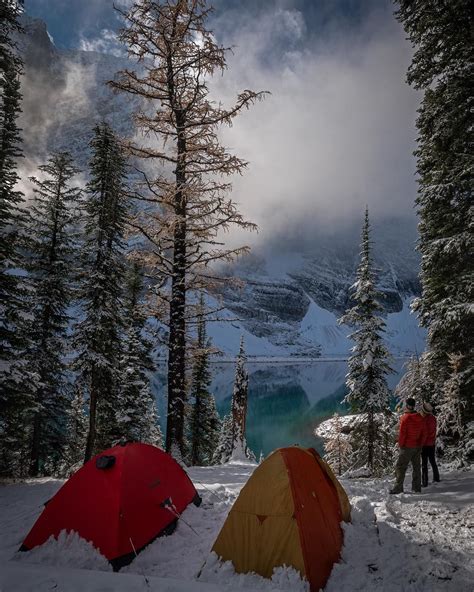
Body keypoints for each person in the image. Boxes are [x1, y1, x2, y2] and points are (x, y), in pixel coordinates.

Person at [390, 397, 426, 494]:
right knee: (416, 467)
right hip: (417, 446)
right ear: (413, 406)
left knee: (400, 467)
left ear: (407, 406)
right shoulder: (420, 417)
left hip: (407, 447)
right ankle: (416, 488)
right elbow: (424, 433)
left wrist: (401, 445)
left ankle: (398, 488)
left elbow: (402, 434)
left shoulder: (405, 418)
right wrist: (420, 443)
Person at [420, 401, 440, 486]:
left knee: (424, 463)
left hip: (425, 445)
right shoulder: (433, 418)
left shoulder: (424, 420)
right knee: (432, 461)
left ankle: (425, 481)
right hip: (432, 443)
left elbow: (424, 433)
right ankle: (436, 477)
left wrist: (420, 443)